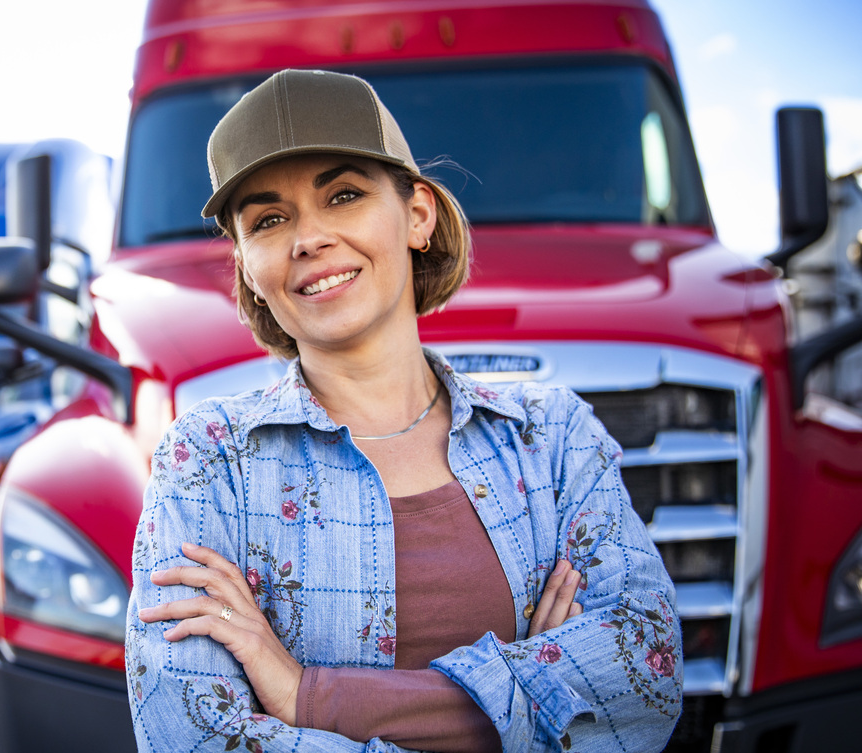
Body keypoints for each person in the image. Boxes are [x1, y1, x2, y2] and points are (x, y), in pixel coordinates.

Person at [127, 69, 682, 752]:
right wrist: (534, 695)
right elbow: (193, 738)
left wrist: (307, 695)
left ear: (417, 213)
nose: (308, 238)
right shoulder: (207, 458)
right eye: (269, 219)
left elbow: (645, 676)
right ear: (247, 264)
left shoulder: (555, 436)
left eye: (345, 195)